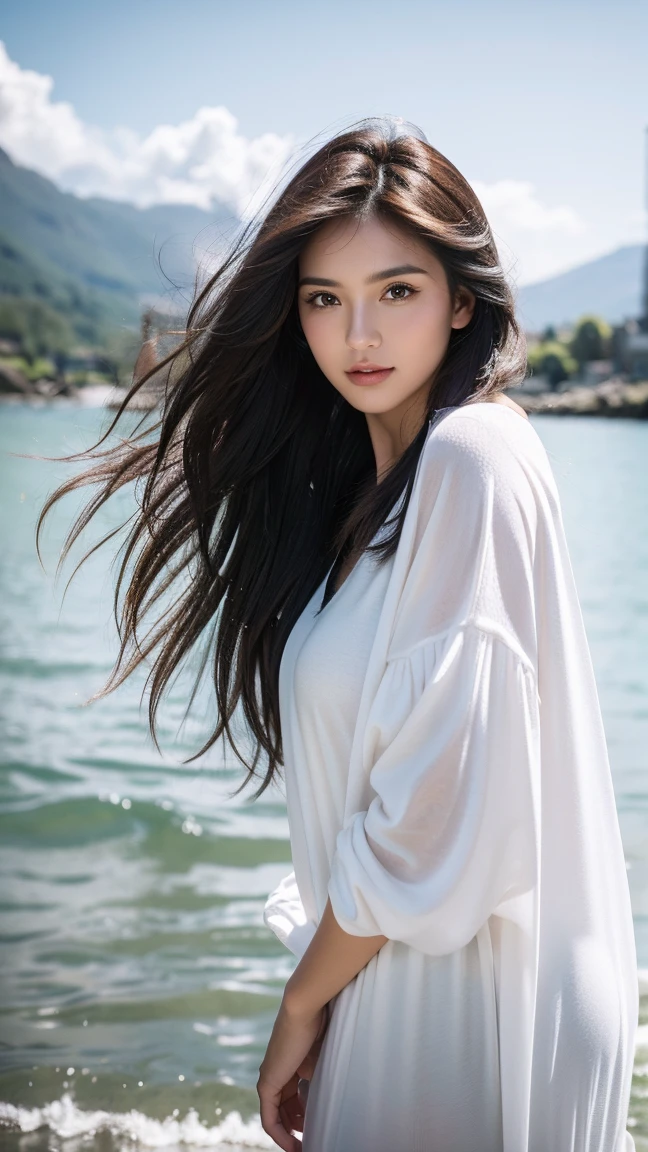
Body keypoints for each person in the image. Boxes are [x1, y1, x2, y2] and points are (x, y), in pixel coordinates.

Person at [38, 116, 638, 1152]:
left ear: (461, 300)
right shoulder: (379, 494)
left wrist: (300, 1007)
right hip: (403, 962)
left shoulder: (473, 455)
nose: (357, 335)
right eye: (325, 299)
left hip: (455, 992)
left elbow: (428, 814)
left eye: (396, 292)